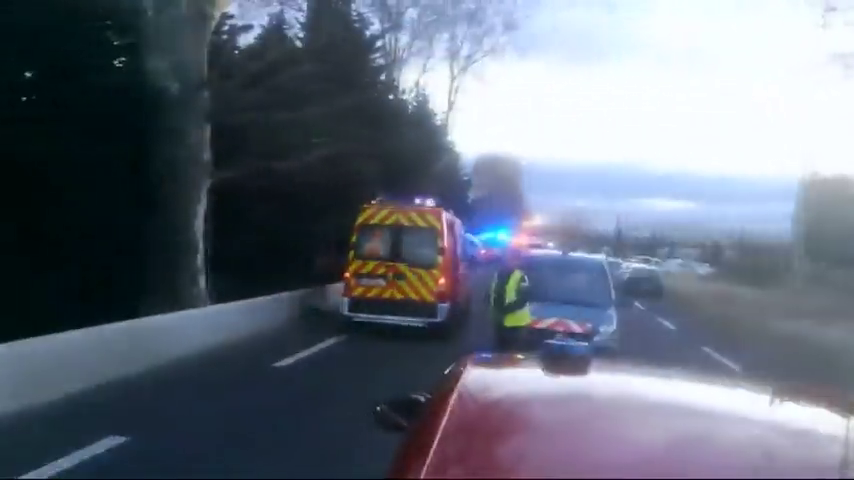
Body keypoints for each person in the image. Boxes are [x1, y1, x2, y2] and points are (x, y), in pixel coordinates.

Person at [489, 247, 533, 352]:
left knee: (512, 353)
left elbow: (523, 299)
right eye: (507, 259)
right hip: (500, 320)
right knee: (500, 350)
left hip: (516, 324)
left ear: (517, 261)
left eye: (512, 259)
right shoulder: (499, 274)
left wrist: (505, 309)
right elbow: (494, 291)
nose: (509, 262)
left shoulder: (521, 277)